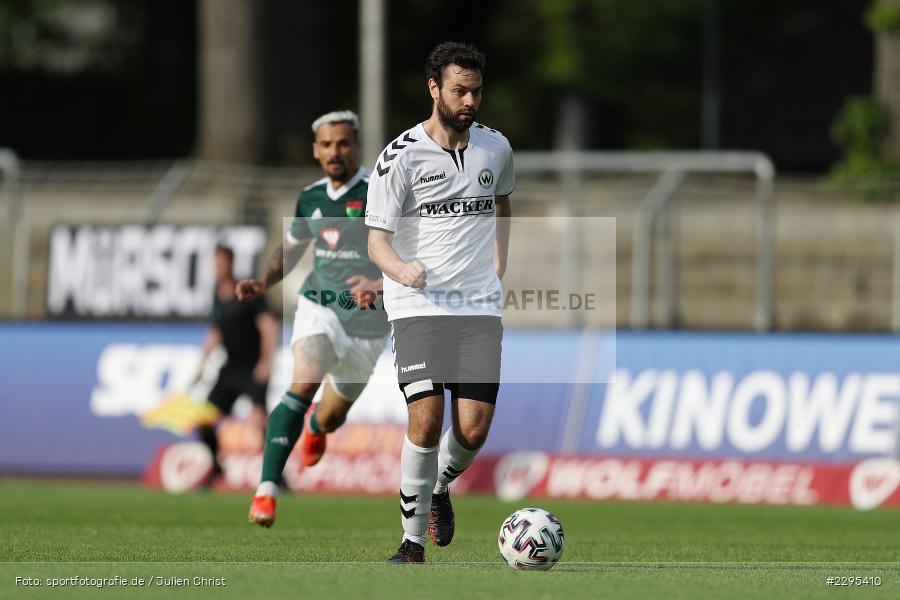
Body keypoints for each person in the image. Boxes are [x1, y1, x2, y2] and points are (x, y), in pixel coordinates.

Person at [365, 41, 514, 563]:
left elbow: (502, 202)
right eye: (459, 90)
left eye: (476, 90)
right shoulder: (399, 157)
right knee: (426, 421)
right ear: (435, 89)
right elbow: (376, 240)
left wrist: (499, 263)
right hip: (417, 305)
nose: (470, 100)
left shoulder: (496, 149)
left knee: (471, 430)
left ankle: (440, 487)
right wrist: (401, 270)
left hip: (477, 308)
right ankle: (410, 543)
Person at [238, 110, 388, 527]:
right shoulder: (310, 197)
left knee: (332, 414)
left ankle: (319, 426)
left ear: (356, 145)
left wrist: (378, 283)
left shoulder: (382, 191)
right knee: (302, 383)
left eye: (342, 143)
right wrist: (263, 281)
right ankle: (266, 491)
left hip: (370, 324)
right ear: (316, 151)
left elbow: (414, 255)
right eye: (326, 144)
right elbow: (290, 248)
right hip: (319, 305)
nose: (334, 151)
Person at [196, 244, 278, 484]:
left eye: (220, 262)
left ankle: (275, 476)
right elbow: (215, 333)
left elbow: (268, 326)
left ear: (230, 263)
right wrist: (200, 367)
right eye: (214, 263)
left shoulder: (247, 291)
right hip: (230, 369)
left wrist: (266, 362)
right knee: (204, 420)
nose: (217, 268)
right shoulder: (217, 295)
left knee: (259, 422)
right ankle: (216, 466)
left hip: (252, 367)